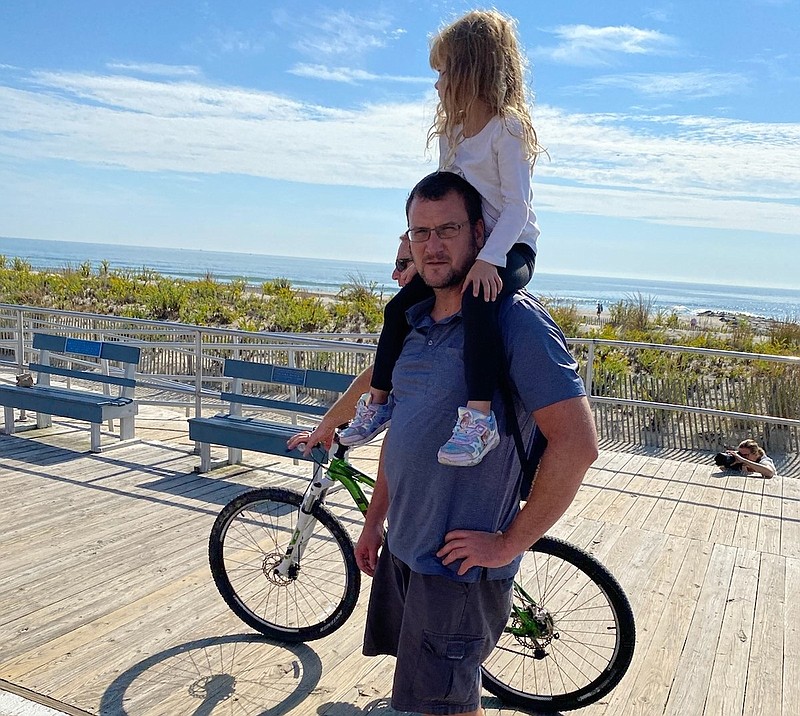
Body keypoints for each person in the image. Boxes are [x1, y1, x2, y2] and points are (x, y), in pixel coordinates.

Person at [355, 171, 598, 716]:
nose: (432, 246)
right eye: (421, 233)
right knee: (439, 698)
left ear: (481, 233)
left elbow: (578, 445)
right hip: (407, 548)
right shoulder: (414, 321)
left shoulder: (513, 321)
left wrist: (509, 543)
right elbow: (406, 436)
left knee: (441, 705)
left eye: (448, 229)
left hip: (458, 569)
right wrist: (375, 523)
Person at [338, 9, 543, 469]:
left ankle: (479, 419)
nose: (437, 85)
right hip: (465, 247)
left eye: (444, 72)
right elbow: (442, 200)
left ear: (472, 70)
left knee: (477, 301)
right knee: (398, 309)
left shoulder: (506, 130)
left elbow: (517, 209)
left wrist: (490, 260)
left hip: (510, 247)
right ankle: (378, 401)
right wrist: (411, 247)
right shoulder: (454, 132)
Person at [287, 237, 415, 454]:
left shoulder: (415, 318)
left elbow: (374, 377)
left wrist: (327, 424)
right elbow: (376, 375)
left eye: (402, 265)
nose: (395, 274)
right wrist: (329, 423)